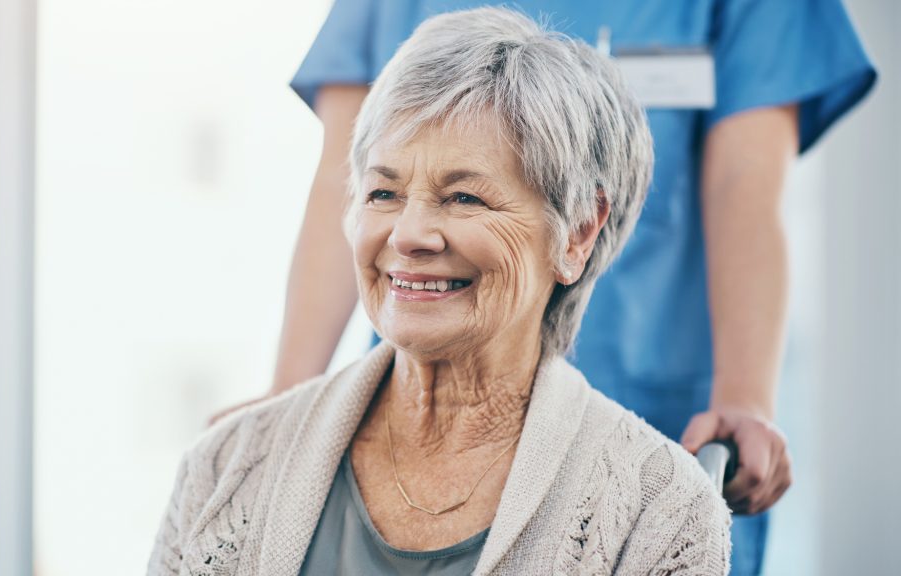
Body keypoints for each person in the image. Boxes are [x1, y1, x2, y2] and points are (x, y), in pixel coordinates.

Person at [270, 1, 876, 572]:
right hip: (425, 400)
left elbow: (744, 187)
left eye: (463, 197)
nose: (414, 232)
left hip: (661, 405)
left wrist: (743, 400)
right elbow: (344, 183)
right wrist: (285, 410)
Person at [152, 8, 731, 575]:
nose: (407, 236)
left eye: (464, 198)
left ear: (578, 232)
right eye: (383, 193)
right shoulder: (222, 468)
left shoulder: (662, 512)